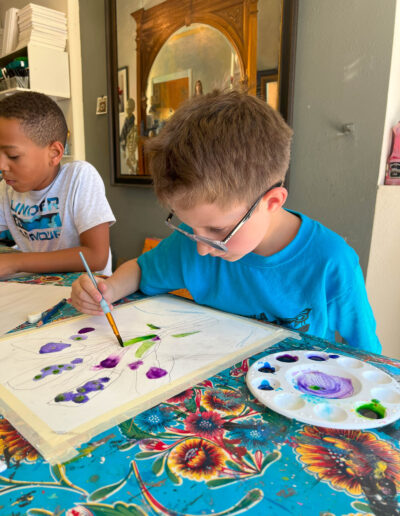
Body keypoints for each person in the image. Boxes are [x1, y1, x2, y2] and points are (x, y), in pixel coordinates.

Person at [71, 89, 381, 353]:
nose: (202, 247)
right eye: (190, 227)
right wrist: (107, 290)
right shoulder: (192, 244)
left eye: (217, 230)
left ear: (271, 202)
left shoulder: (332, 262)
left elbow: (369, 359)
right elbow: (139, 270)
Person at [0, 91, 115, 277]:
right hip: (39, 287)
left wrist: (16, 262)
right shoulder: (6, 188)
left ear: (54, 153)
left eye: (13, 156)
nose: (2, 165)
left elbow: (96, 256)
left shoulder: (79, 178)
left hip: (87, 291)